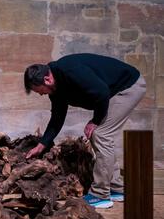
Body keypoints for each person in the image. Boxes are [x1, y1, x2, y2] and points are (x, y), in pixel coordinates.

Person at [24, 53, 146, 208]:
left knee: (101, 134)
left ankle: (100, 195)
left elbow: (101, 92)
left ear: (47, 79)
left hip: (129, 86)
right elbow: (57, 117)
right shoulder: (56, 90)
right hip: (113, 92)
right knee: (101, 136)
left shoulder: (69, 70)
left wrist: (95, 121)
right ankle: (117, 188)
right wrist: (42, 144)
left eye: (38, 90)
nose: (41, 94)